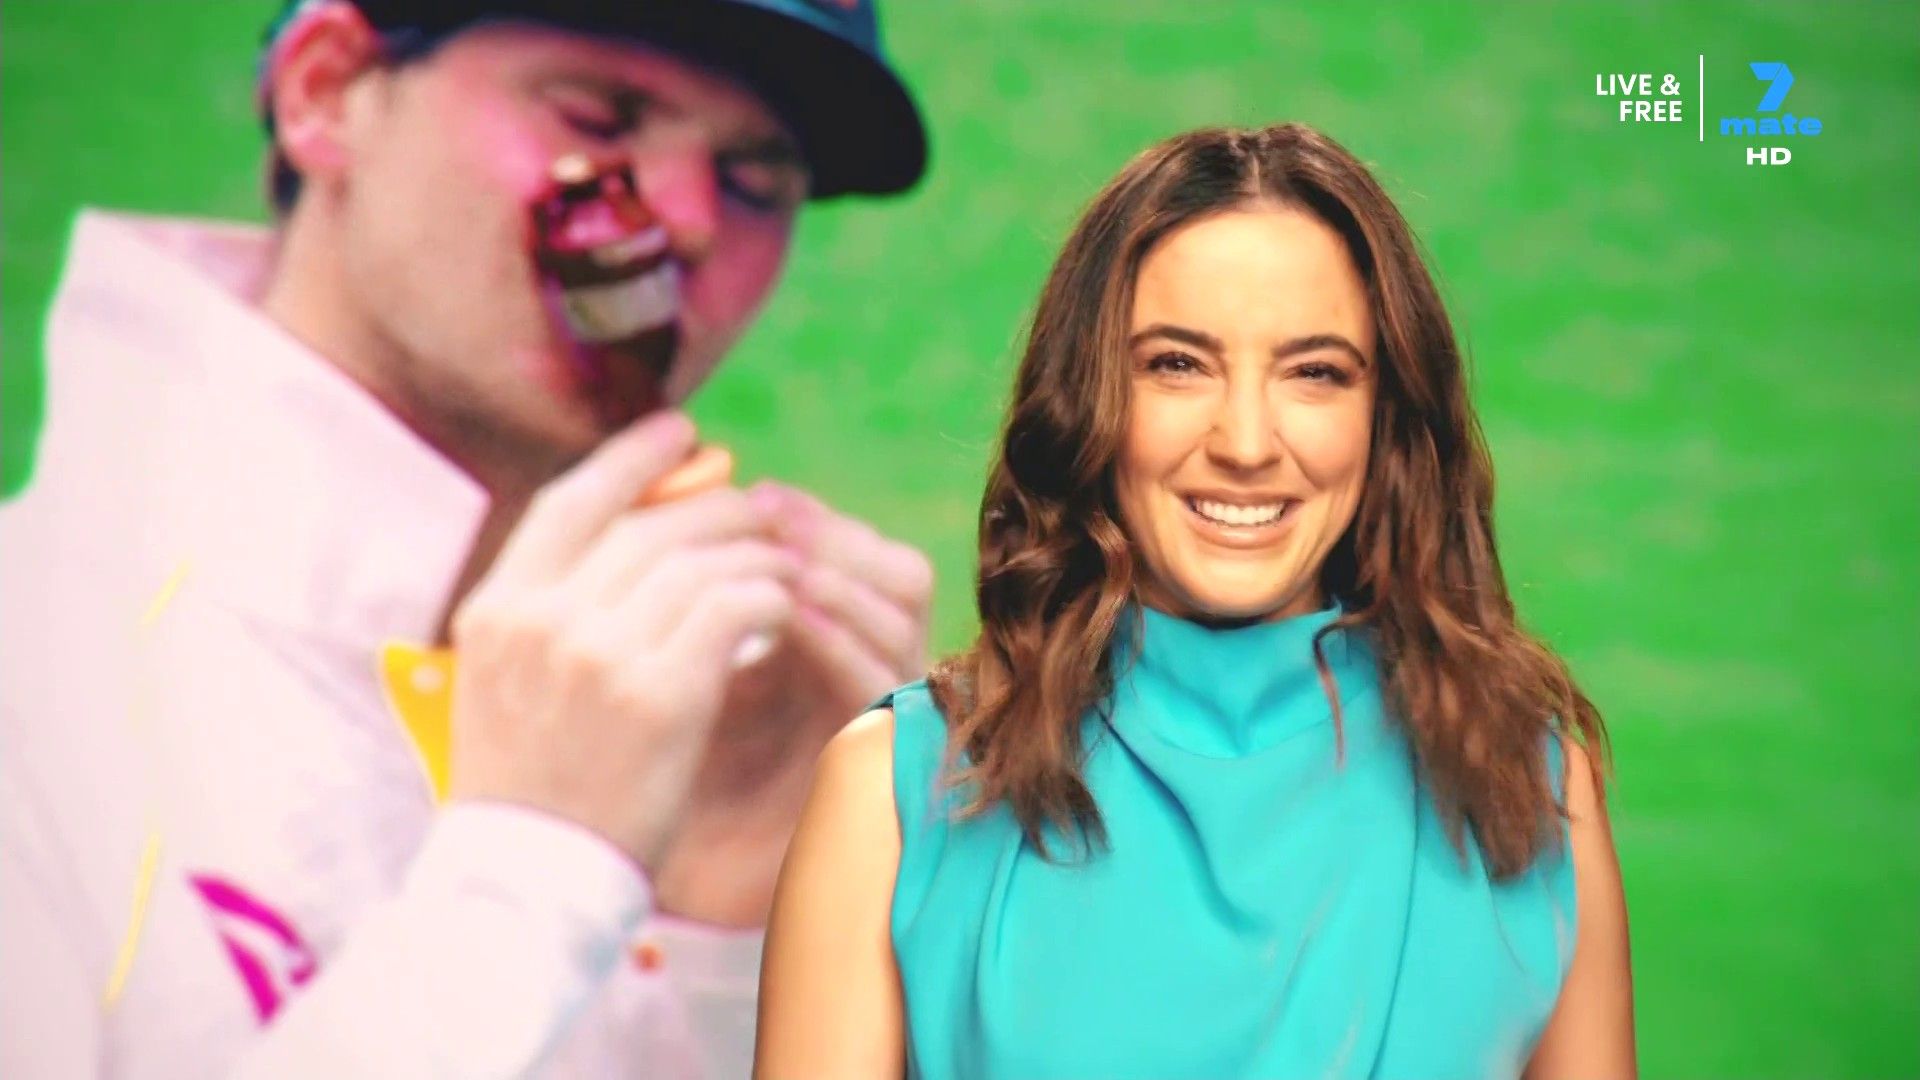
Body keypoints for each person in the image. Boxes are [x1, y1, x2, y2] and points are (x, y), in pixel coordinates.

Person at [0, 1, 933, 1076]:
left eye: (755, 182)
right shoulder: (40, 669)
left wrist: (742, 947)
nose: (684, 219)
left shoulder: (716, 711)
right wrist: (536, 872)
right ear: (325, 90)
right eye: (597, 116)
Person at [757, 122, 1636, 1079]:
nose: (1246, 443)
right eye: (1178, 364)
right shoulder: (896, 790)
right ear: (1089, 399)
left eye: (1315, 372)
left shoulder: (1527, 784)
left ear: (1385, 417)